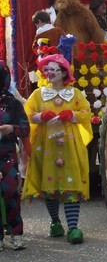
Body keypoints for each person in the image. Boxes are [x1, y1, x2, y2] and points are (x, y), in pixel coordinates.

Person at [23, 54, 92, 245]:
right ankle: (55, 222)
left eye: (54, 69)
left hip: (70, 146)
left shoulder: (75, 94)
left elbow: (86, 113)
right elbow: (28, 114)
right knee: (50, 184)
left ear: (63, 72)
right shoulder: (38, 94)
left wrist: (72, 114)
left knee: (71, 182)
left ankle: (73, 227)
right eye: (47, 69)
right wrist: (41, 116)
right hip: (46, 147)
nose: (49, 73)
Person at [0, 61, 30, 251]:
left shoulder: (13, 103)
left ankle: (16, 234)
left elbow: (25, 128)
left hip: (7, 155)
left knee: (10, 192)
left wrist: (11, 128)